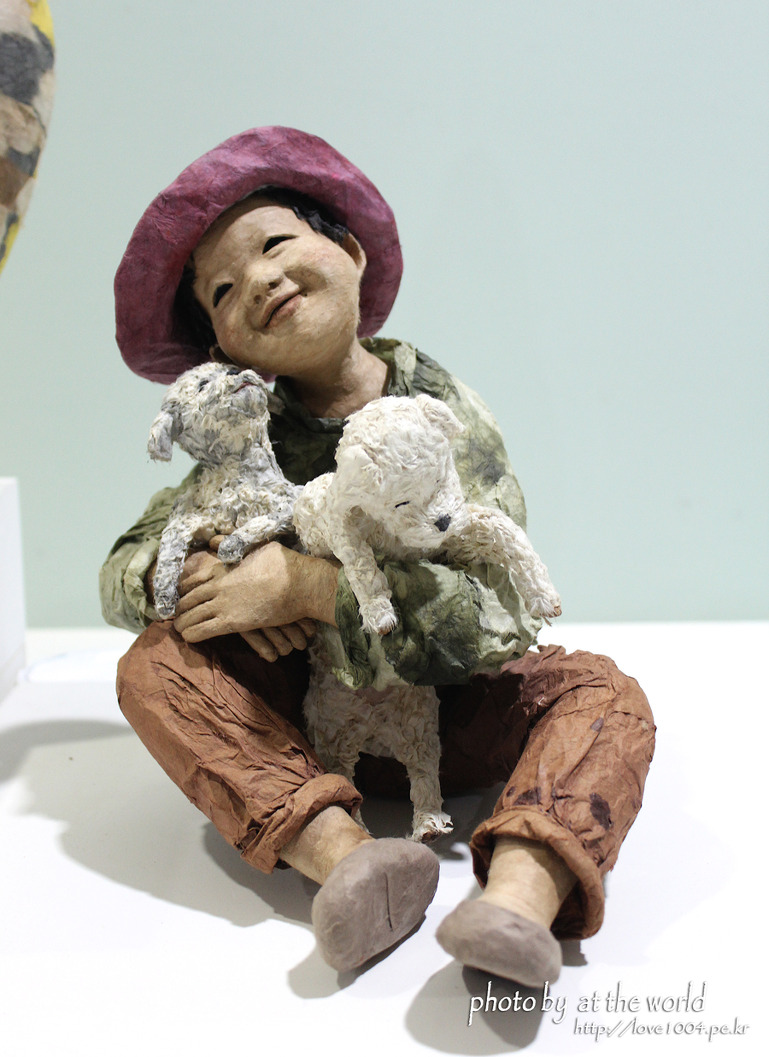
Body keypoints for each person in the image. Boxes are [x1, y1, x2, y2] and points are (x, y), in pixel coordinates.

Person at [101, 126, 655, 982]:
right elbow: (124, 566)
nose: (260, 280)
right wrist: (205, 575)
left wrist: (305, 587)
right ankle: (348, 860)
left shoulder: (444, 414)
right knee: (152, 666)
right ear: (225, 353)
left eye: (275, 243)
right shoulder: (246, 437)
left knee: (601, 694)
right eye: (223, 289)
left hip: (448, 707)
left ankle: (517, 896)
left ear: (350, 252)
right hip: (302, 723)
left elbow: (497, 618)